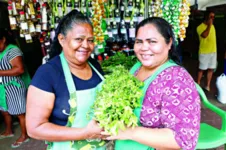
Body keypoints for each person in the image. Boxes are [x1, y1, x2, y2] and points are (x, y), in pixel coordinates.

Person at [102, 17, 201, 150]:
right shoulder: (137, 67)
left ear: (169, 43)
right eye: (139, 42)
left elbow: (184, 140)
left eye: (152, 42)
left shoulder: (177, 80)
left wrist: (129, 132)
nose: (144, 48)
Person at [26, 10, 107, 150]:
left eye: (90, 40)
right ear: (62, 39)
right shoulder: (47, 74)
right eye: (79, 39)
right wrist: (84, 133)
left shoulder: (94, 65)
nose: (86, 45)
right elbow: (34, 128)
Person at [0, 28, 29, 148]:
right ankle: (9, 131)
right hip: (3, 88)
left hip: (13, 87)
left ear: (3, 39)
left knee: (20, 113)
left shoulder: (12, 50)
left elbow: (19, 69)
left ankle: (25, 135)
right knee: (5, 111)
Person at [196, 11, 217, 91]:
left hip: (213, 51)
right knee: (201, 69)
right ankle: (198, 84)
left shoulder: (213, 27)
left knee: (211, 69)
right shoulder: (199, 27)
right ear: (206, 17)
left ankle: (207, 85)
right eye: (211, 17)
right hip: (204, 52)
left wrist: (211, 25)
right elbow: (205, 35)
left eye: (213, 17)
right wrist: (209, 25)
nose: (212, 19)